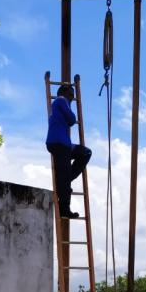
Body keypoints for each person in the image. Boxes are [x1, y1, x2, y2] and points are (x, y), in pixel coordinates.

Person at [46, 83, 92, 219]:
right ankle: (64, 208)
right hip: (59, 143)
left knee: (86, 153)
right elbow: (72, 120)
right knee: (64, 178)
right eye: (71, 94)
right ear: (64, 93)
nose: (73, 97)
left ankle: (64, 181)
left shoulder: (61, 102)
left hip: (64, 144)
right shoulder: (61, 100)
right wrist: (69, 105)